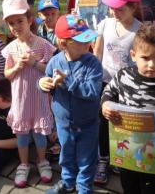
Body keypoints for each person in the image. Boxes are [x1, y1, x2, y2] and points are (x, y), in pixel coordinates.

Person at [100, 24, 155, 194]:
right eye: (145, 58)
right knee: (129, 187)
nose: (151, 64)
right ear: (133, 55)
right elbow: (108, 92)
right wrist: (106, 105)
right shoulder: (123, 76)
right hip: (128, 150)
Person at [39, 15, 103, 194]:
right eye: (82, 40)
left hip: (87, 124)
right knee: (66, 155)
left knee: (86, 159)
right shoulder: (55, 61)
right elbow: (47, 80)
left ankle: (84, 187)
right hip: (64, 124)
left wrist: (68, 82)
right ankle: (67, 183)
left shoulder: (93, 63)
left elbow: (92, 91)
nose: (88, 42)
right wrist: (43, 84)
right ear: (64, 43)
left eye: (88, 37)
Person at [0, 0, 56, 187]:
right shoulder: (11, 48)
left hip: (39, 99)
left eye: (20, 21)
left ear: (30, 20)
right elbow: (7, 74)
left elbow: (50, 69)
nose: (16, 26)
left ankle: (42, 160)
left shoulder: (43, 45)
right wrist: (17, 68)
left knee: (40, 134)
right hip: (21, 100)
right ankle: (23, 164)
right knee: (22, 135)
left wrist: (34, 63)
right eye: (11, 23)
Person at [92, 0, 143, 185]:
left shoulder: (139, 30)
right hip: (105, 83)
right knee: (104, 123)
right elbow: (97, 51)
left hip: (128, 87)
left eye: (120, 8)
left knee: (123, 124)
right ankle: (104, 158)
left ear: (133, 7)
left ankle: (119, 157)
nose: (115, 12)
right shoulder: (105, 24)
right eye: (112, 7)